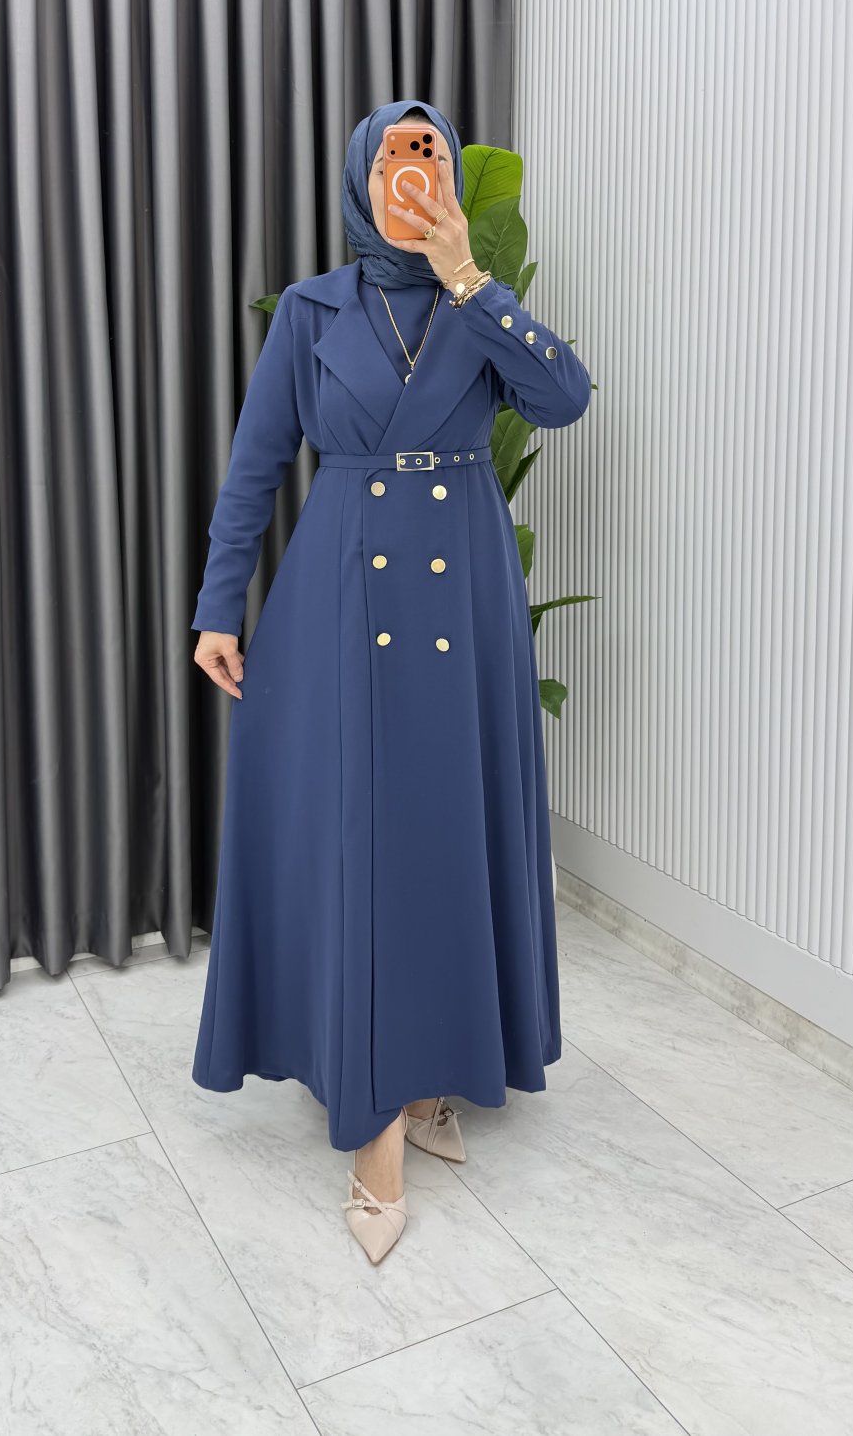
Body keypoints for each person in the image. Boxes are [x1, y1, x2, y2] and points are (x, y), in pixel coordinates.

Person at [191, 98, 592, 1265]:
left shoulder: (478, 301)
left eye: (429, 152)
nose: (410, 170)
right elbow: (256, 464)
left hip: (461, 598)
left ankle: (428, 1075)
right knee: (361, 840)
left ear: (449, 175)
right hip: (339, 595)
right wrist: (218, 604)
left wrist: (468, 276)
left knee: (442, 831)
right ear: (362, 177)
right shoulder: (313, 309)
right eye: (393, 155)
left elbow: (564, 398)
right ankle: (373, 1119)